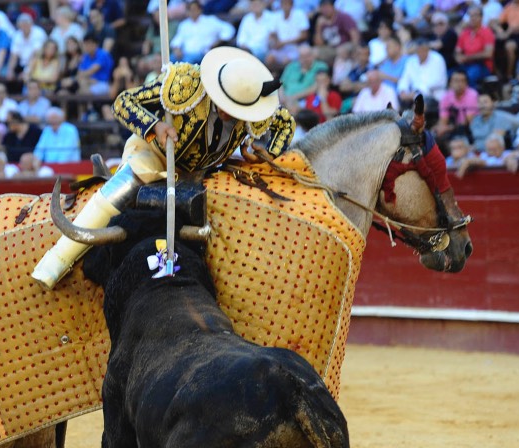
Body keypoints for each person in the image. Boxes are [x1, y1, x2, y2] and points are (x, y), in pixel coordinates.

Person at [31, 46, 295, 289]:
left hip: (200, 173)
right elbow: (123, 103)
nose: (230, 115)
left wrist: (265, 154)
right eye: (227, 108)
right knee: (125, 185)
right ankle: (56, 260)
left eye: (237, 112)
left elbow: (286, 124)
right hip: (155, 155)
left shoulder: (256, 105)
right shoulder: (185, 85)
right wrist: (154, 127)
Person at [170, 0, 234, 64]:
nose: (192, 12)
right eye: (189, 9)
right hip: (184, 54)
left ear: (200, 10)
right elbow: (177, 40)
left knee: (186, 62)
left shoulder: (211, 21)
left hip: (202, 54)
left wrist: (218, 41)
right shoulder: (184, 24)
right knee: (169, 60)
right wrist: (177, 49)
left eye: (194, 9)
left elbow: (229, 29)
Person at [455, 4, 495, 88]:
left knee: (470, 75)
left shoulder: (487, 32)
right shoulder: (464, 33)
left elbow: (488, 54)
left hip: (482, 65)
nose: (472, 18)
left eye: (475, 15)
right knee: (452, 75)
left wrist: (467, 57)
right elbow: (457, 51)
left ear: (481, 17)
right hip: (466, 64)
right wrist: (458, 57)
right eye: (470, 15)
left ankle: (471, 98)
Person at [279, 44, 329, 110]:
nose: (305, 59)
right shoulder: (291, 66)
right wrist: (282, 97)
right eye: (302, 56)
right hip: (286, 99)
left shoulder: (320, 67)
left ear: (313, 55)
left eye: (307, 56)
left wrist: (293, 97)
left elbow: (318, 86)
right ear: (298, 57)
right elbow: (280, 83)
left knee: (292, 108)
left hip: (306, 100)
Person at [312, 0, 361, 66]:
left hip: (345, 45)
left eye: (327, 7)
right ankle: (320, 73)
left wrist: (355, 48)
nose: (325, 10)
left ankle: (339, 75)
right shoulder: (320, 21)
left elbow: (355, 36)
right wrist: (318, 27)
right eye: (323, 8)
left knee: (342, 51)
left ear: (333, 7)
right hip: (330, 49)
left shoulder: (343, 17)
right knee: (313, 52)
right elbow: (319, 44)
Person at [433, 70, 478, 140]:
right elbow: (443, 120)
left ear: (467, 84)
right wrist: (439, 128)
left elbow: (469, 121)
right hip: (453, 128)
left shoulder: (472, 94)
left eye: (463, 81)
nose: (460, 84)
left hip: (470, 129)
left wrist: (448, 128)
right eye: (456, 81)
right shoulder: (446, 97)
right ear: (450, 83)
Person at [6, 14, 48, 80]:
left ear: (31, 24)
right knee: (10, 77)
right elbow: (13, 55)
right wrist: (10, 70)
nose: (24, 27)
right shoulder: (17, 35)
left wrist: (26, 71)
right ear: (18, 26)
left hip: (39, 63)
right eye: (22, 25)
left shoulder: (38, 33)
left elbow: (36, 54)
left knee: (27, 77)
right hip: (22, 64)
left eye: (26, 24)